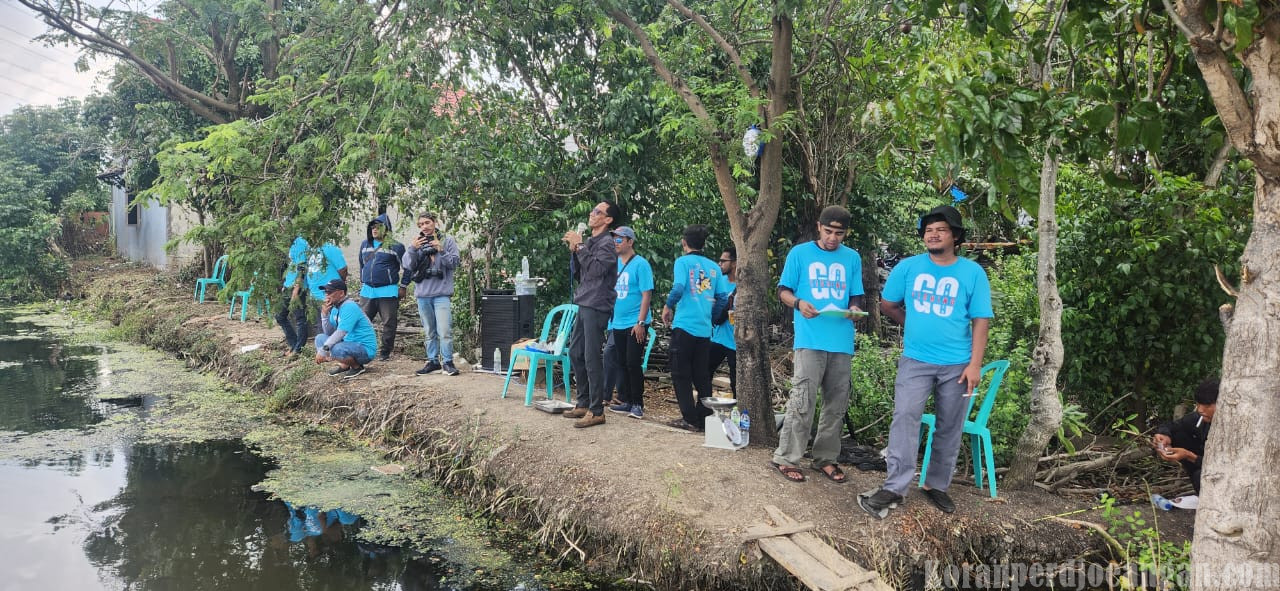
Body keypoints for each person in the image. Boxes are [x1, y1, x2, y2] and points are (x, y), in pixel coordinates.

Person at [859, 205, 992, 518]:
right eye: (929, 229)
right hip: (916, 360)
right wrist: (912, 324)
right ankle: (895, 486)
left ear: (955, 236)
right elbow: (888, 304)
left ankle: (936, 484)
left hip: (958, 364)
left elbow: (981, 321)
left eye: (941, 229)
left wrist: (975, 365)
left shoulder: (973, 273)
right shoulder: (908, 268)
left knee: (950, 424)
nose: (933, 234)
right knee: (904, 415)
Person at [770, 207, 864, 484]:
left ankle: (825, 458)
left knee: (836, 404)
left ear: (845, 233)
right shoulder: (799, 254)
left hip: (841, 341)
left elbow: (856, 297)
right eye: (828, 231)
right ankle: (787, 458)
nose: (833, 238)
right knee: (802, 399)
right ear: (818, 227)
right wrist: (799, 303)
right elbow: (783, 291)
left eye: (839, 233)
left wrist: (855, 310)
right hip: (810, 338)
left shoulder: (853, 258)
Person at [661, 224, 730, 433]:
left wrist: (668, 305)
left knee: (680, 374)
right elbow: (722, 297)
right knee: (701, 375)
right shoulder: (714, 267)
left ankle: (689, 418)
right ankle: (703, 417)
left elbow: (680, 286)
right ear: (704, 243)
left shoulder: (683, 262)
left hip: (685, 326)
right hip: (703, 329)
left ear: (684, 243)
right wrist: (713, 317)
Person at [560, 201, 621, 428]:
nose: (591, 213)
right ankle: (583, 403)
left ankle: (597, 411)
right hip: (584, 301)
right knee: (576, 353)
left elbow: (596, 271)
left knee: (591, 356)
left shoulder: (607, 243)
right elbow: (580, 274)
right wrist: (576, 251)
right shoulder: (591, 242)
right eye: (593, 210)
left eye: (598, 212)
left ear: (608, 220)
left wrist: (581, 248)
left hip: (597, 304)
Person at [402, 212, 461, 376]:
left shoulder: (447, 241)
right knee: (429, 331)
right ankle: (432, 361)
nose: (424, 227)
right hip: (423, 294)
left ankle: (448, 362)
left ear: (435, 223)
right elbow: (407, 265)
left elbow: (455, 263)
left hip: (441, 294)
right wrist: (412, 249)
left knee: (445, 330)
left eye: (427, 222)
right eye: (421, 224)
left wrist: (441, 250)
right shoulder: (417, 243)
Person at [605, 226, 654, 420]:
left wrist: (640, 322)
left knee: (633, 362)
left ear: (630, 242)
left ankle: (637, 404)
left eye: (619, 239)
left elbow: (646, 294)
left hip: (635, 322)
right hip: (618, 321)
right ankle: (625, 400)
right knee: (621, 362)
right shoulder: (614, 263)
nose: (615, 243)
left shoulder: (641, 264)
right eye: (614, 240)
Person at [1153, 378, 1218, 494]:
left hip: (1220, 472)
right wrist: (1164, 435)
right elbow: (1172, 425)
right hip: (1203, 462)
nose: (1200, 410)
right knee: (1178, 434)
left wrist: (1189, 456)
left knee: (1200, 476)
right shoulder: (1199, 418)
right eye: (1198, 404)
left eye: (1207, 406)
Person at [358, 214, 407, 362]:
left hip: (388, 290)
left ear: (386, 228)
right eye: (372, 227)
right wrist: (363, 279)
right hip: (367, 291)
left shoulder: (396, 246)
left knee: (389, 322)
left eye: (378, 226)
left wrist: (403, 286)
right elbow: (362, 264)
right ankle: (362, 349)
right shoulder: (365, 245)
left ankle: (385, 352)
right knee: (362, 321)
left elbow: (407, 267)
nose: (374, 229)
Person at [313, 279, 378, 379]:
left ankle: (357, 367)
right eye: (325, 292)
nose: (327, 295)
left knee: (335, 348)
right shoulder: (335, 308)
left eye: (329, 292)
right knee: (320, 338)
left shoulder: (350, 307)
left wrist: (323, 351)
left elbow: (340, 333)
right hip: (349, 345)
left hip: (365, 349)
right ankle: (345, 364)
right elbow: (329, 332)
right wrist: (324, 315)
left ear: (341, 293)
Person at [708, 245, 738, 398]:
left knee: (736, 382)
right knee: (705, 372)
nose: (719, 264)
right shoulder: (719, 282)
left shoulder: (744, 286)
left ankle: (739, 416)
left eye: (723, 261)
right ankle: (702, 411)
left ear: (734, 263)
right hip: (718, 337)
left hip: (736, 340)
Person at [276, 236, 313, 358]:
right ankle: (294, 345)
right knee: (280, 316)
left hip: (297, 287)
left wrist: (296, 290)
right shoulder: (292, 243)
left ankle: (298, 349)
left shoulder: (300, 243)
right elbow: (292, 266)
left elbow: (302, 268)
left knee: (300, 318)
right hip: (289, 285)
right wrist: (285, 285)